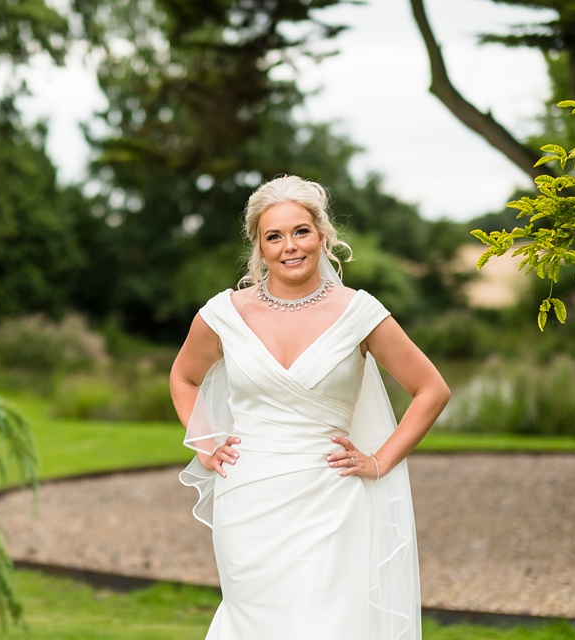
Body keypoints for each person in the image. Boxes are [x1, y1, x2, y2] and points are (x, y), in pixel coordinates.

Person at [169, 175, 450, 640]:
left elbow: (431, 389)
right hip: (248, 500)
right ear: (259, 247)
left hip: (331, 498)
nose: (289, 246)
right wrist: (204, 443)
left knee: (327, 624)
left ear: (322, 235)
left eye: (300, 231)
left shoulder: (359, 313)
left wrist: (380, 460)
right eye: (273, 236)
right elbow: (183, 377)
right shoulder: (223, 314)